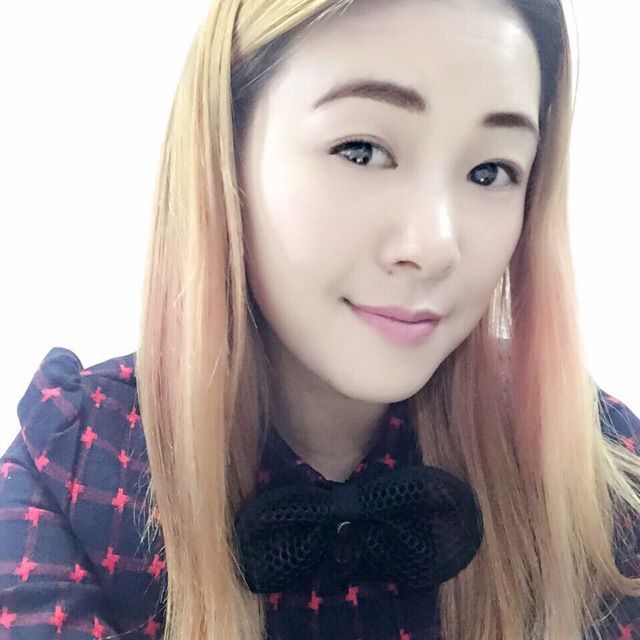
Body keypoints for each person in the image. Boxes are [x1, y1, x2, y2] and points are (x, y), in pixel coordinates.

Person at [1, 0, 639, 638]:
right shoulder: (74, 472)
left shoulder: (592, 465)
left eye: (490, 171)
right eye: (361, 150)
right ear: (226, 149)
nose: (434, 246)